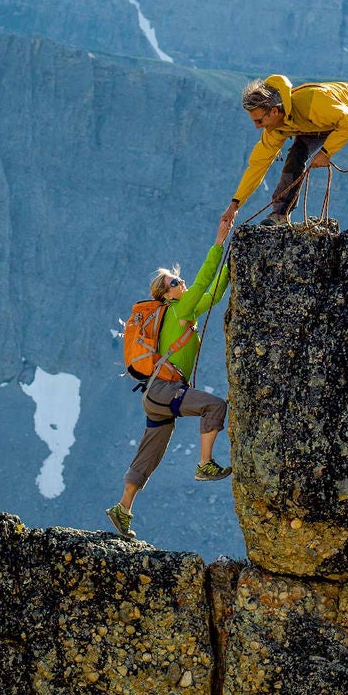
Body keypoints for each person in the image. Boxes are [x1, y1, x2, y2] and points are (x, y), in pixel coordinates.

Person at [107, 208, 236, 536]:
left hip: (155, 395)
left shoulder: (183, 310)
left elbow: (215, 292)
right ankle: (204, 464)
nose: (181, 282)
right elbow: (206, 279)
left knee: (150, 451)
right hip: (164, 390)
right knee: (215, 406)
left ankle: (122, 509)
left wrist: (234, 266)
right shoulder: (178, 310)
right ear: (166, 295)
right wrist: (220, 243)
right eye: (175, 282)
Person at [222, 74, 348, 232]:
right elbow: (257, 166)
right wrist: (235, 204)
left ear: (274, 112)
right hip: (316, 124)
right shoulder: (275, 129)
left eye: (259, 121)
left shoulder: (312, 102)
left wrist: (326, 152)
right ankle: (280, 214)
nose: (257, 126)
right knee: (295, 156)